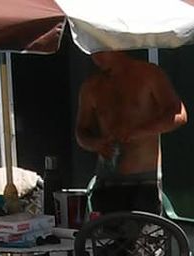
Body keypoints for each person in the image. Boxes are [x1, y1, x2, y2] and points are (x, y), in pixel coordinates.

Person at [76, 51, 187, 215]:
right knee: (106, 237)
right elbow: (81, 132)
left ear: (117, 45)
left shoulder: (148, 74)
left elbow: (179, 115)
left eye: (101, 49)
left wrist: (138, 131)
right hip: (106, 181)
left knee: (144, 238)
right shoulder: (92, 86)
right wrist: (95, 144)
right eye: (92, 51)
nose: (95, 57)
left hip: (144, 180)